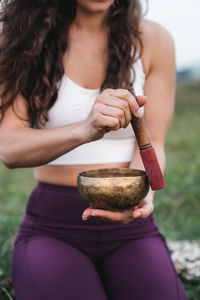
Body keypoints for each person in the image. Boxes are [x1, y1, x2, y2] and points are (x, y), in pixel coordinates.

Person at [0, 0, 188, 299]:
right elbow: (9, 148)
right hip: (52, 227)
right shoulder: (22, 37)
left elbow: (155, 144)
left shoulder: (154, 39)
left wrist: (142, 198)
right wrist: (84, 130)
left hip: (131, 226)